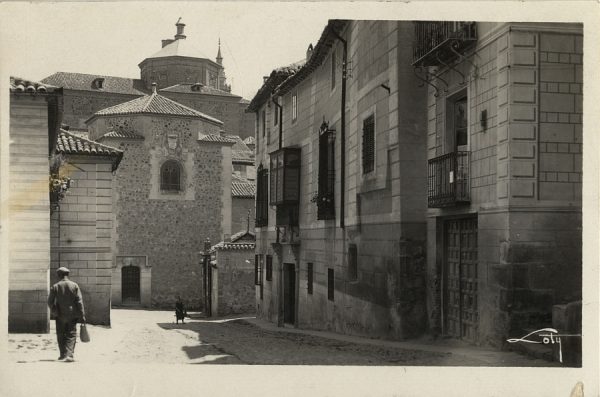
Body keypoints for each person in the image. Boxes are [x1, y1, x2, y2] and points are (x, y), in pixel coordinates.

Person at [47, 267, 86, 362]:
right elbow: (79, 302)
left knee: (60, 334)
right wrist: (82, 315)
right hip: (72, 314)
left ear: (59, 275)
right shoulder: (74, 285)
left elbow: (49, 301)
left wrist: (55, 310)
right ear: (67, 274)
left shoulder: (55, 286)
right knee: (71, 334)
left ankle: (62, 355)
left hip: (60, 315)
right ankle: (69, 355)